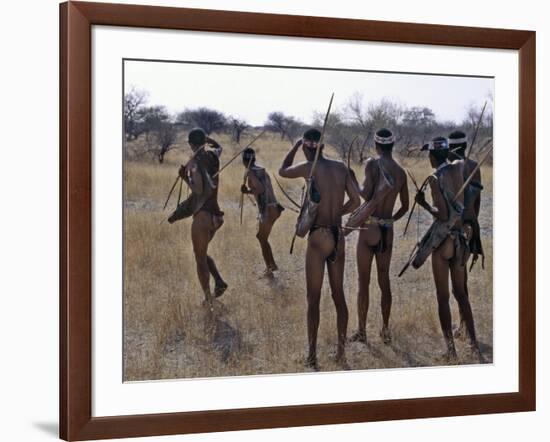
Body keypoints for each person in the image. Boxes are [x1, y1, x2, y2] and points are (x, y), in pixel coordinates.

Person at [279, 128, 361, 369]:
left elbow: (282, 171)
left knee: (313, 298)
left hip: (318, 237)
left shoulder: (309, 167)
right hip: (338, 235)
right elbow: (356, 201)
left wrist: (293, 148)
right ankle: (341, 352)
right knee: (338, 296)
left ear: (306, 147)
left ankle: (312, 355)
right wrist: (338, 213)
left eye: (303, 147)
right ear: (322, 146)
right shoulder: (340, 168)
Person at [415, 136, 481, 361]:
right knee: (462, 294)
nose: (429, 158)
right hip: (460, 239)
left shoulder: (435, 178)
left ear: (433, 157)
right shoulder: (460, 168)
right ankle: (474, 347)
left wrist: (424, 204)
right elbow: (463, 162)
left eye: (429, 155)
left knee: (443, 297)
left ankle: (451, 351)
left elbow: (442, 215)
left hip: (444, 243)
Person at [348, 128, 409, 345]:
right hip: (387, 230)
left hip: (368, 228)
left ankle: (361, 331)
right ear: (392, 145)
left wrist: (352, 178)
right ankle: (385, 330)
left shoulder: (372, 164)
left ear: (376, 145)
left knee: (363, 281)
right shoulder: (401, 172)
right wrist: (390, 219)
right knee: (384, 281)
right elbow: (405, 206)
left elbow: (365, 194)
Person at [169, 128, 228, 304]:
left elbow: (199, 189)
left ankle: (208, 297)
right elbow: (219, 147)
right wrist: (209, 140)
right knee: (201, 253)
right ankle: (219, 281)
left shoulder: (194, 163)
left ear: (190, 144)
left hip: (202, 217)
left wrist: (184, 178)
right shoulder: (214, 155)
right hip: (216, 216)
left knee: (199, 258)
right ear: (204, 141)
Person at [448, 130, 484, 338]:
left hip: (457, 228)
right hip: (470, 226)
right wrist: (473, 223)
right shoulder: (474, 166)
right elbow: (476, 202)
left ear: (451, 148)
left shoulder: (453, 168)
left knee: (458, 285)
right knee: (462, 281)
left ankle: (466, 328)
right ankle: (463, 325)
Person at [240, 147, 285, 277]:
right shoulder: (261, 170)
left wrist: (247, 191)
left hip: (268, 210)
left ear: (244, 160)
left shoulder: (251, 172)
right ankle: (271, 266)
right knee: (262, 237)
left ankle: (270, 268)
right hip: (274, 208)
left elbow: (259, 189)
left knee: (261, 237)